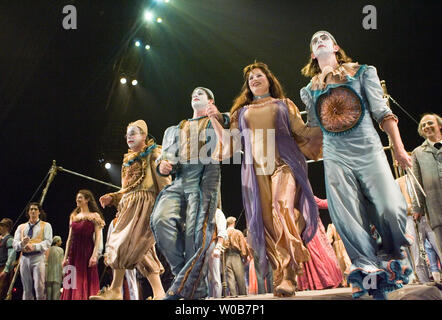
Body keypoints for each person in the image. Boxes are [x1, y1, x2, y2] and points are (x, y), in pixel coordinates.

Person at [300, 30, 412, 299]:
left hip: (368, 149)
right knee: (347, 217)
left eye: (324, 37)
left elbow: (382, 113)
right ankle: (369, 276)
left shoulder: (362, 72)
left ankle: (391, 258)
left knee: (391, 207)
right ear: (313, 54)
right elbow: (314, 132)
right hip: (336, 157)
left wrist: (398, 148)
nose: (319, 41)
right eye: (314, 41)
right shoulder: (309, 89)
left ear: (336, 47)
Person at [207, 62, 322, 297]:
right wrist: (214, 120)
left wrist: (320, 117)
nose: (255, 79)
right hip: (257, 170)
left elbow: (302, 132)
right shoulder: (242, 112)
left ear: (269, 80)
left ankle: (290, 273)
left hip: (285, 163)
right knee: (268, 221)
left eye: (259, 76)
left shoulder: (284, 105)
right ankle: (282, 271)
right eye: (251, 78)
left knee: (282, 206)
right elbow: (230, 144)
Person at [151, 87, 229, 300]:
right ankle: (187, 282)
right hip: (180, 180)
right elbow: (166, 159)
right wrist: (163, 166)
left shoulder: (221, 120)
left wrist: (216, 118)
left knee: (195, 235)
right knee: (160, 220)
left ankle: (183, 288)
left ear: (211, 100)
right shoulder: (176, 129)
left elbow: (230, 147)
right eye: (193, 93)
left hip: (205, 176)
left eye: (201, 93)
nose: (195, 94)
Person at [90, 120, 171, 300]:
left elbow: (165, 184)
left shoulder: (153, 153)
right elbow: (127, 189)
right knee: (141, 251)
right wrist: (114, 197)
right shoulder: (127, 161)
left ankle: (116, 290)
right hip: (128, 208)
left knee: (121, 244)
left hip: (145, 207)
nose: (129, 137)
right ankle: (159, 294)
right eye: (127, 134)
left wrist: (166, 209)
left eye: (134, 133)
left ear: (144, 135)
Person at [61, 190, 104, 300]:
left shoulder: (94, 215)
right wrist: (65, 258)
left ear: (87, 199)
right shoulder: (74, 216)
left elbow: (98, 237)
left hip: (87, 251)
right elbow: (69, 239)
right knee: (71, 282)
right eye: (77, 197)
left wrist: (94, 255)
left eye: (80, 197)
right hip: (74, 253)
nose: (77, 200)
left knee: (84, 279)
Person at [411, 113, 442, 257]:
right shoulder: (418, 153)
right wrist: (417, 208)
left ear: (439, 125)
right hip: (435, 207)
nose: (426, 126)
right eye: (423, 125)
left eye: (430, 123)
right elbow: (417, 182)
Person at [297, 197, 343, 290]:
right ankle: (322, 281)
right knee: (317, 255)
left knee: (313, 256)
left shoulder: (301, 197)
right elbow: (323, 203)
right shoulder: (305, 196)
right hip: (310, 231)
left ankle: (315, 283)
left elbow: (323, 203)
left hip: (306, 231)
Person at [13, 202, 53, 300]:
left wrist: (34, 247)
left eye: (35, 209)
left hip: (38, 257)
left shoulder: (46, 225)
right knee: (26, 288)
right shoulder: (21, 227)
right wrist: (22, 244)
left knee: (39, 286)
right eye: (31, 209)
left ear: (39, 212)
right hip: (24, 258)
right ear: (28, 212)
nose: (33, 211)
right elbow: (15, 244)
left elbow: (48, 242)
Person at [224, 216, 249, 296]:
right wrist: (244, 257)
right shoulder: (238, 232)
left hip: (227, 256)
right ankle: (242, 295)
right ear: (234, 223)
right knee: (240, 278)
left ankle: (233, 295)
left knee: (230, 278)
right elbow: (243, 246)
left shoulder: (223, 233)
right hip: (236, 256)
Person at [206, 208, 227, 298]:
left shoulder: (217, 212)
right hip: (199, 247)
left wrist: (218, 246)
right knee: (202, 277)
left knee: (215, 276)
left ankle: (217, 298)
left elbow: (222, 230)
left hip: (212, 244)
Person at [0, 218, 16, 299]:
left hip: (3, 269)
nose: (0, 227)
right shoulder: (1, 238)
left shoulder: (9, 239)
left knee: (2, 291)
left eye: (2, 225)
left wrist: (5, 270)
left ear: (7, 227)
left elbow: (11, 257)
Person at [45, 235, 64, 300]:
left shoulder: (48, 249)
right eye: (60, 241)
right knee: (56, 296)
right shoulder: (60, 250)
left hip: (48, 275)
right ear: (57, 241)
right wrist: (63, 274)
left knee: (48, 296)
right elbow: (62, 263)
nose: (61, 242)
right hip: (57, 275)